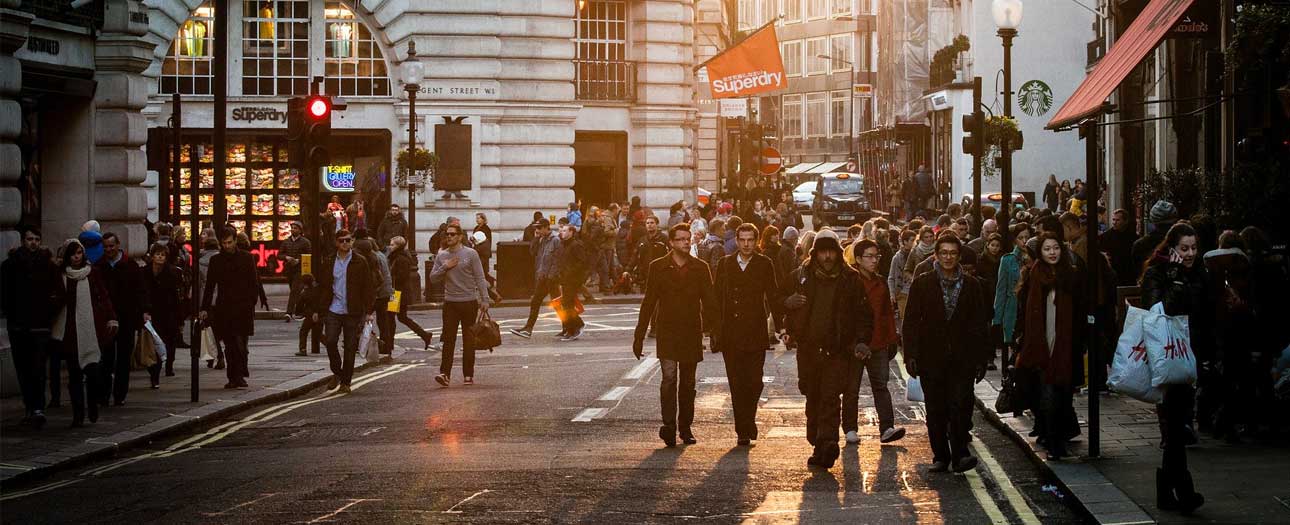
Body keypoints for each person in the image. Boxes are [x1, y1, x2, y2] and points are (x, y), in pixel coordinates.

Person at [781, 229, 872, 468]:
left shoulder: (850, 279)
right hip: (808, 349)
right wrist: (787, 308)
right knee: (813, 396)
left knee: (830, 397)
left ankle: (828, 441)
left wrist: (862, 340)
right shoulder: (801, 276)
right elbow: (782, 302)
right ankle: (817, 441)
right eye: (823, 252)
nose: (828, 257)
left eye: (832, 251)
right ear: (815, 253)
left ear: (839, 253)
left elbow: (864, 314)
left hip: (838, 350)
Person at [903, 233, 991, 473]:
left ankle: (961, 453)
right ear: (936, 255)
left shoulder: (972, 285)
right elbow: (910, 321)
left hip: (963, 358)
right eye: (944, 253)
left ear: (959, 256)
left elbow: (979, 323)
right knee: (936, 408)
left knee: (962, 405)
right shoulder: (923, 283)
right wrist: (910, 354)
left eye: (953, 253)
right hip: (932, 357)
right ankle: (940, 456)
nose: (948, 257)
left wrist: (982, 359)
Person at [1139, 222, 1210, 513]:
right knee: (1177, 425)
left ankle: (1166, 490)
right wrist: (1177, 278)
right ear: (1172, 249)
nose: (1191, 253)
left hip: (1191, 356)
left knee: (1178, 425)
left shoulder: (1200, 273)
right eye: (1185, 248)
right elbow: (1160, 312)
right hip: (1167, 356)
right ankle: (1184, 490)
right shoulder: (1157, 272)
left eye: (1194, 247)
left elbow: (1204, 315)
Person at [634, 223, 718, 447]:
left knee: (688, 383)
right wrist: (639, 335)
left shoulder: (700, 267)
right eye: (680, 239)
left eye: (687, 239)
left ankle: (686, 427)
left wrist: (715, 331)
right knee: (669, 378)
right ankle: (669, 426)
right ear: (671, 242)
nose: (684, 242)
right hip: (668, 331)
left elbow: (710, 302)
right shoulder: (658, 267)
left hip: (691, 330)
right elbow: (649, 301)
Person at [1014, 233, 1086, 460]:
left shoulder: (1071, 276)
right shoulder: (1034, 275)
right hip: (1041, 345)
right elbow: (1025, 312)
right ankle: (1054, 443)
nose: (1052, 252)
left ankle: (1058, 438)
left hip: (1066, 346)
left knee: (1063, 395)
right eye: (1047, 249)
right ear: (1040, 252)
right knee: (1048, 395)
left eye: (1056, 248)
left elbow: (1081, 310)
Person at [713, 223, 784, 445]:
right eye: (742, 240)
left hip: (755, 330)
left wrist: (781, 326)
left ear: (756, 241)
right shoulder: (725, 264)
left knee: (754, 382)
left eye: (750, 240)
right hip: (731, 333)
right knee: (736, 382)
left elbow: (773, 295)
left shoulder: (764, 263)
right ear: (736, 240)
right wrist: (713, 330)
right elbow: (716, 298)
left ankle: (749, 418)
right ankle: (742, 429)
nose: (746, 244)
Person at [846, 239, 907, 445]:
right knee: (851, 388)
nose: (874, 260)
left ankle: (887, 428)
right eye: (869, 257)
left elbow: (887, 314)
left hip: (879, 343)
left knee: (881, 386)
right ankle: (850, 429)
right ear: (859, 259)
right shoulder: (850, 281)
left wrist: (892, 339)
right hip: (854, 345)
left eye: (877, 256)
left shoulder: (880, 282)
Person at [50, 239, 117, 427]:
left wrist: (111, 317)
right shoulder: (62, 275)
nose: (76, 257)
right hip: (70, 331)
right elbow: (55, 298)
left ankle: (93, 405)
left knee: (94, 373)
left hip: (90, 329)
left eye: (79, 253)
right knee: (75, 377)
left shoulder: (92, 273)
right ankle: (78, 415)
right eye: (73, 254)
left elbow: (103, 296)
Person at [2, 226, 58, 428]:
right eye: (29, 239)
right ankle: (29, 406)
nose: (33, 242)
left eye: (36, 239)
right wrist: (10, 314)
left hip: (40, 326)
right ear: (23, 241)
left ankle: (38, 408)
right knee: (23, 369)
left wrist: (49, 312)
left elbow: (57, 293)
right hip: (18, 325)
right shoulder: (10, 265)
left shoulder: (48, 265)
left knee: (38, 368)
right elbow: (5, 293)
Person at [314, 230, 376, 394]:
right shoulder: (328, 261)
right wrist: (317, 309)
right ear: (336, 242)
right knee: (331, 341)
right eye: (341, 241)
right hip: (333, 309)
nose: (345, 243)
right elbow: (322, 287)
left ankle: (345, 382)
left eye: (348, 240)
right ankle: (337, 372)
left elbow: (368, 287)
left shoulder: (360, 262)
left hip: (352, 310)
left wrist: (369, 311)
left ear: (352, 242)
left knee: (350, 347)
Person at [430, 222, 490, 387]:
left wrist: (484, 299)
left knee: (468, 340)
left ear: (460, 236)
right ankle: (445, 374)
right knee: (448, 340)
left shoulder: (471, 254)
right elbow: (433, 278)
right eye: (447, 234)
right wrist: (445, 267)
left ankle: (468, 375)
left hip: (469, 302)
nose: (449, 237)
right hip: (450, 303)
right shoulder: (442, 255)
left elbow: (480, 277)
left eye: (452, 234)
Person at [199, 226, 260, 389]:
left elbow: (253, 283)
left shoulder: (247, 258)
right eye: (224, 243)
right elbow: (210, 286)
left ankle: (239, 374)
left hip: (243, 307)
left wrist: (251, 302)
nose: (227, 246)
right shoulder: (216, 261)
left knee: (241, 344)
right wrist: (204, 307)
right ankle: (233, 377)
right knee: (229, 345)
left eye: (230, 242)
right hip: (224, 308)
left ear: (235, 240)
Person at [95, 232, 151, 404]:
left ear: (118, 245)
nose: (109, 249)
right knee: (106, 358)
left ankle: (119, 395)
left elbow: (141, 290)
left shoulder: (130, 265)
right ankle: (103, 395)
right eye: (105, 247)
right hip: (107, 319)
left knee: (124, 359)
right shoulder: (99, 266)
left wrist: (144, 311)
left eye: (111, 246)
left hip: (127, 318)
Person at [140, 243, 183, 389]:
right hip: (151, 313)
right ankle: (154, 374)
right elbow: (141, 292)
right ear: (152, 256)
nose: (160, 257)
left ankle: (167, 365)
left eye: (163, 255)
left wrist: (179, 317)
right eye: (157, 254)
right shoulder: (144, 272)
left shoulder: (171, 273)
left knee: (167, 342)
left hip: (167, 313)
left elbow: (175, 296)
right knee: (153, 345)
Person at [511, 219, 561, 339]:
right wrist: (535, 239)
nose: (537, 230)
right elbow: (533, 252)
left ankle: (569, 326)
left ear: (546, 227)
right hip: (543, 277)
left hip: (551, 278)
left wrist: (551, 275)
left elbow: (558, 260)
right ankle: (528, 329)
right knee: (536, 302)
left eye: (539, 228)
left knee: (557, 304)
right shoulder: (542, 239)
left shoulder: (555, 240)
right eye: (536, 228)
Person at [994, 222, 1034, 368]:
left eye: (1027, 237)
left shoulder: (1038, 259)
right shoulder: (1007, 260)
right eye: (1020, 237)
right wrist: (997, 319)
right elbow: (1001, 290)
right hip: (1013, 309)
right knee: (1012, 349)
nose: (1024, 241)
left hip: (1031, 308)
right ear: (1015, 240)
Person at [387, 236, 436, 351]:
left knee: (391, 318)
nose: (390, 246)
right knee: (401, 317)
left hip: (397, 293)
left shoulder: (400, 259)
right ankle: (424, 335)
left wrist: (392, 279)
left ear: (398, 246)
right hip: (398, 292)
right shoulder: (397, 257)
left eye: (393, 244)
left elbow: (401, 277)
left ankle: (390, 343)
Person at [356, 238, 394, 360]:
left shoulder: (373, 258)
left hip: (378, 293)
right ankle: (386, 346)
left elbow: (377, 278)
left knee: (365, 319)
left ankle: (365, 345)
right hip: (386, 292)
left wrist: (373, 293)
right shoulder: (381, 255)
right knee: (384, 321)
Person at [555, 223, 590, 341]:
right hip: (565, 279)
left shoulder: (576, 245)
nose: (562, 232)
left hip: (573, 279)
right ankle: (575, 326)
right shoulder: (563, 245)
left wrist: (570, 272)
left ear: (571, 232)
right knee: (566, 304)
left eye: (565, 231)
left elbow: (583, 262)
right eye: (562, 230)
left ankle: (573, 330)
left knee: (567, 304)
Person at [195, 233, 224, 369]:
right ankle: (219, 356)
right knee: (218, 329)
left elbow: (198, 283)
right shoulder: (221, 259)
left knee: (207, 328)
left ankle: (211, 356)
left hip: (205, 298)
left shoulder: (200, 262)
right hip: (220, 298)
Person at [280, 221, 312, 322]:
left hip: (300, 270)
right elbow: (279, 255)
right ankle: (302, 312)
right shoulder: (286, 241)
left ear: (300, 230)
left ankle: (289, 313)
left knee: (294, 291)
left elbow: (310, 255)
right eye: (292, 227)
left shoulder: (305, 242)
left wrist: (298, 260)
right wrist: (286, 257)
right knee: (295, 292)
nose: (293, 229)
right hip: (289, 270)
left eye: (295, 228)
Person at [293, 273, 323, 356]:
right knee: (318, 334)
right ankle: (329, 345)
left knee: (303, 331)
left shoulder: (305, 292)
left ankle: (303, 349)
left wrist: (298, 313)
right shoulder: (318, 290)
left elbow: (300, 304)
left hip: (310, 315)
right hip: (320, 314)